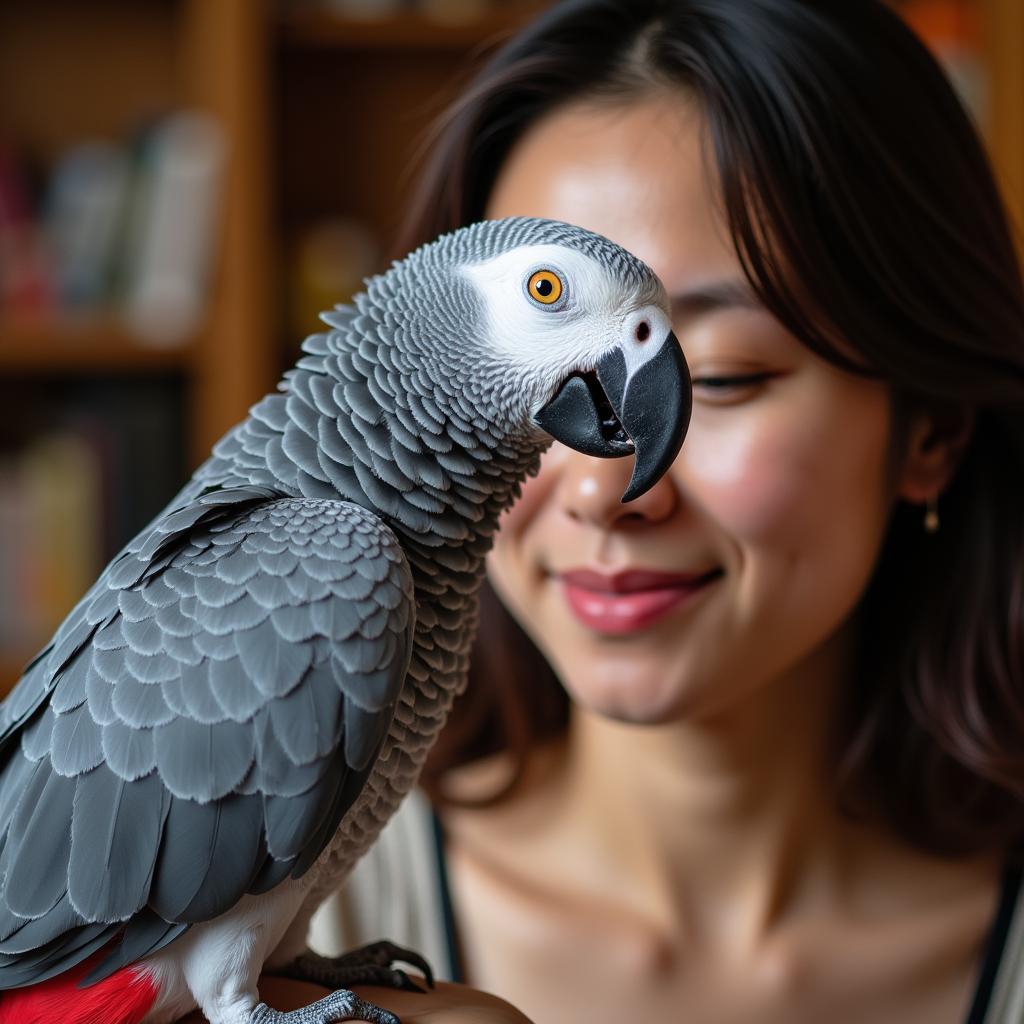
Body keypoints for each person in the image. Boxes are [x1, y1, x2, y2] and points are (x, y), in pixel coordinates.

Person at [278, 0, 1024, 1021]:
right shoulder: (270, 919)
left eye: (719, 377)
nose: (602, 493)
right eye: (521, 386)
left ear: (929, 430)